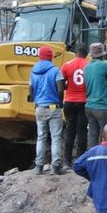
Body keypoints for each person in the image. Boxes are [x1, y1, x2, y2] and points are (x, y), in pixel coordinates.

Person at [29, 45, 65, 175]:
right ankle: (56, 166)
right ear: (50, 57)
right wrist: (60, 102)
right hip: (53, 107)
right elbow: (60, 89)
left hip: (39, 108)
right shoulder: (56, 71)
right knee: (55, 137)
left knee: (41, 137)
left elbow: (31, 91)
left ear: (40, 57)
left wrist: (36, 100)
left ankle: (39, 166)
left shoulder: (33, 71)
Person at [61, 42, 89, 168]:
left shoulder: (66, 65)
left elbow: (61, 84)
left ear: (75, 52)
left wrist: (68, 86)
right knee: (82, 131)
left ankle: (67, 161)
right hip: (83, 101)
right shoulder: (89, 66)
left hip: (69, 101)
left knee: (70, 131)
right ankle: (80, 160)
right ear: (87, 53)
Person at [85, 43, 107, 148]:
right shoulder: (104, 65)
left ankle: (92, 157)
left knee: (92, 135)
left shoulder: (86, 67)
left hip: (89, 106)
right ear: (102, 55)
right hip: (102, 106)